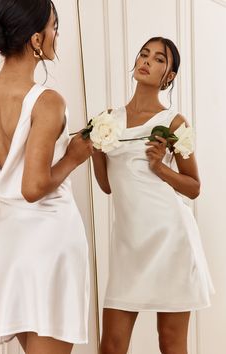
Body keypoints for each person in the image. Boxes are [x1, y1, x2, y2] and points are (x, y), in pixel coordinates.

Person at [92, 37, 214, 354]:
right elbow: (107, 186)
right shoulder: (107, 118)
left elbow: (194, 186)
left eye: (160, 59)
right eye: (145, 54)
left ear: (169, 76)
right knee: (111, 346)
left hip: (169, 239)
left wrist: (160, 167)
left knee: (171, 343)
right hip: (128, 244)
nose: (148, 61)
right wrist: (95, 150)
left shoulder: (173, 122)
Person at [0, 1, 93, 353]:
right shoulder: (48, 101)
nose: (56, 35)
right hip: (49, 242)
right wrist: (75, 157)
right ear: (36, 38)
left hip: (6, 241)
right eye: (54, 26)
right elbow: (33, 187)